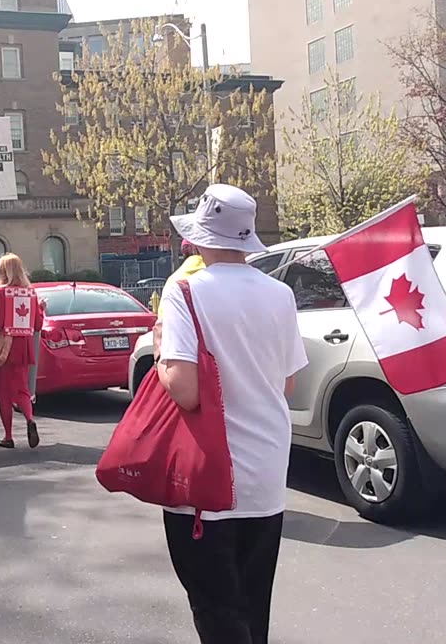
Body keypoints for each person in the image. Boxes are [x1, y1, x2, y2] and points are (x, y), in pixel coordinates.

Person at [154, 184, 308, 644]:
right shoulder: (280, 294)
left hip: (206, 475)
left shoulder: (185, 292)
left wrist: (162, 353)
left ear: (200, 239)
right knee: (251, 603)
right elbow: (286, 383)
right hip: (265, 472)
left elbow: (184, 390)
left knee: (216, 607)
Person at [0, 253, 42, 449]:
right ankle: (30, 419)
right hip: (23, 347)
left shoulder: (0, 292)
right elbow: (38, 325)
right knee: (22, 389)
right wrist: (40, 309)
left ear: (3, 271)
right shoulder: (31, 293)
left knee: (4, 393)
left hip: (5, 347)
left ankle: (8, 436)